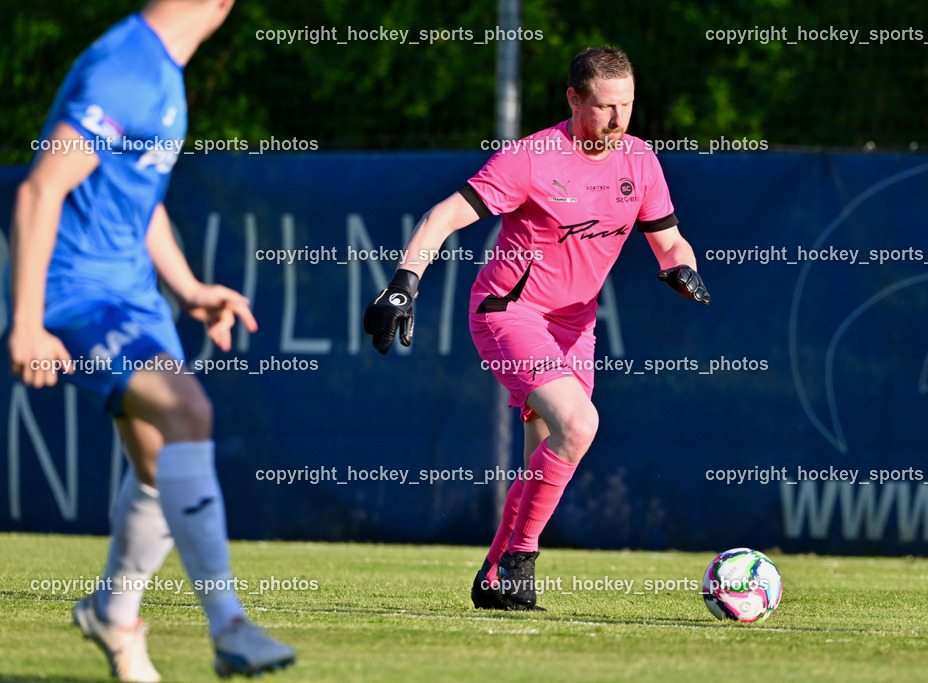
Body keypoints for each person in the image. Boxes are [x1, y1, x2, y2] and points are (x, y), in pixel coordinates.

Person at [364, 45, 709, 611]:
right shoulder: (533, 157)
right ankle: (520, 558)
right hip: (508, 314)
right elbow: (445, 215)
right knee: (579, 423)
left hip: (576, 325)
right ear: (574, 99)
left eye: (627, 105)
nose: (618, 120)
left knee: (549, 455)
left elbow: (668, 238)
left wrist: (680, 266)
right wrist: (404, 283)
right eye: (604, 107)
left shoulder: (641, 160)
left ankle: (495, 578)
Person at [8, 1, 295, 679]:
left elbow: (139, 196)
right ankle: (228, 623)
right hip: (78, 294)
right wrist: (26, 320)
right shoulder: (125, 69)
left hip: (132, 295)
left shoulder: (160, 72)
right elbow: (39, 192)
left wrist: (190, 289)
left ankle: (115, 613)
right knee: (190, 411)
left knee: (159, 469)